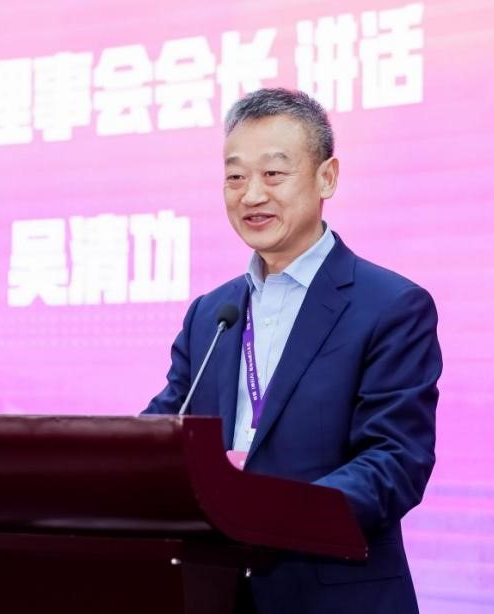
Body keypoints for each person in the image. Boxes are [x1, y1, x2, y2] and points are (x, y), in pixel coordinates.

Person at [142, 88, 441, 614]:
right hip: (214, 593)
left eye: (274, 173)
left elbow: (395, 461)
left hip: (334, 596)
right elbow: (164, 433)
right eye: (236, 177)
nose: (251, 194)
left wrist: (267, 514)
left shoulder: (391, 306)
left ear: (327, 177)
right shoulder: (210, 314)